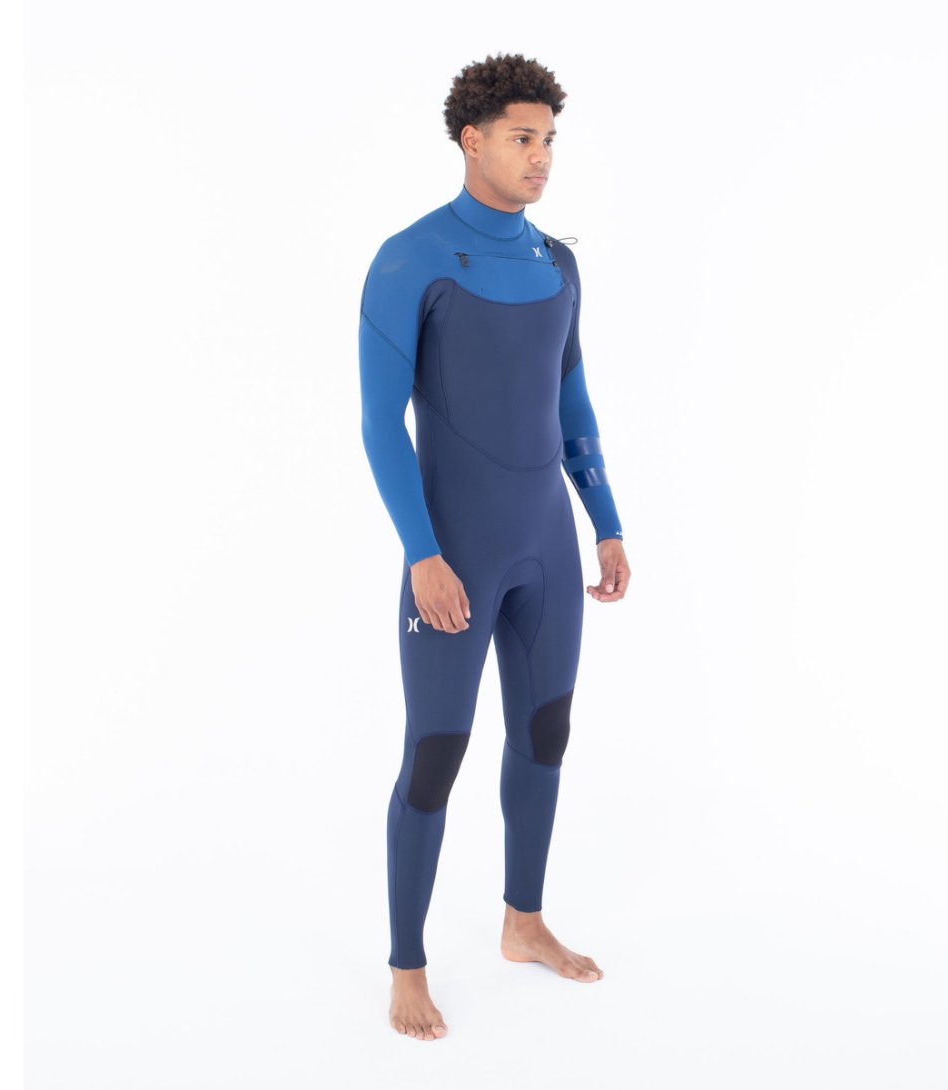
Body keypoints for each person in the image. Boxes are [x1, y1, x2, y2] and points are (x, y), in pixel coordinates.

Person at [358, 52, 631, 1040]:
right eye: (522, 138)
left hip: (546, 550)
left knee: (544, 735)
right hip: (455, 556)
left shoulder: (558, 262)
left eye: (549, 139)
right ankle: (407, 964)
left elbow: (571, 401)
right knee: (435, 755)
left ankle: (523, 922)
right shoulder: (410, 259)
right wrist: (422, 553)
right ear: (471, 140)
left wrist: (605, 521)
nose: (541, 156)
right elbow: (381, 425)